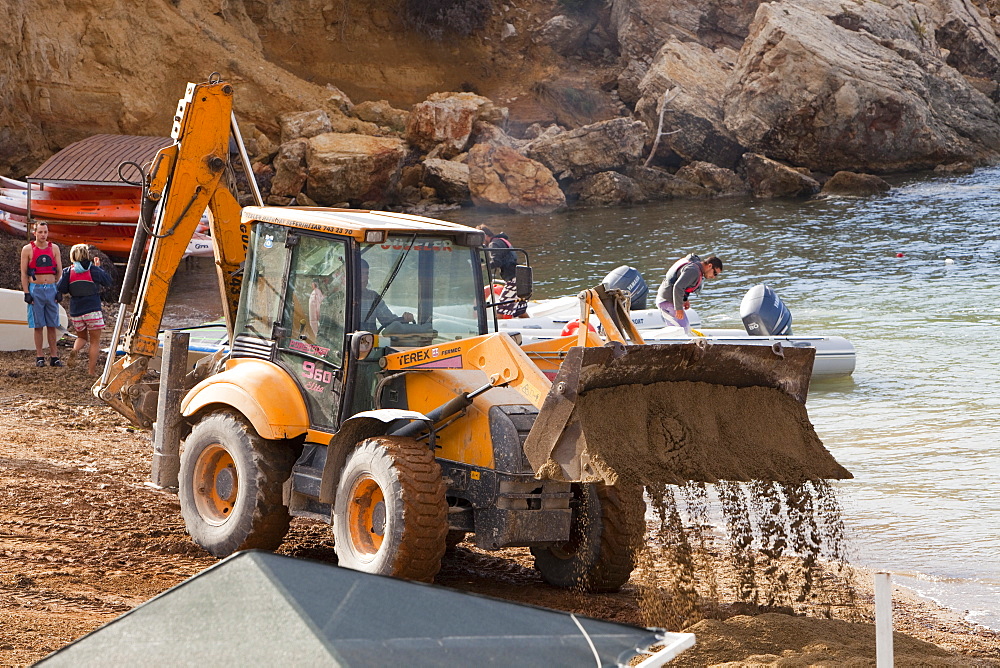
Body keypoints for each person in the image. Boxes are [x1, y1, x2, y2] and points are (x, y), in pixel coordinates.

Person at [56, 244, 113, 376]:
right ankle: (91, 371)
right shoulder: (94, 270)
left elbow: (61, 289)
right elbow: (108, 281)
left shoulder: (67, 271)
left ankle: (74, 351)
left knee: (81, 337)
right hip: (92, 309)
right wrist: (99, 268)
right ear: (87, 255)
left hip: (76, 311)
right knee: (94, 342)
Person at [19, 222, 64, 367]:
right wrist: (27, 293)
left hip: (51, 288)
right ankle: (39, 356)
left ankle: (54, 356)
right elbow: (24, 274)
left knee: (52, 324)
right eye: (40, 232)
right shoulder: (27, 249)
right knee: (38, 325)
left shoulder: (54, 248)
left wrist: (59, 290)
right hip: (36, 289)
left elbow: (60, 271)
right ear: (35, 233)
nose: (43, 235)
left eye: (45, 232)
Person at [655, 253, 723, 335]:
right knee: (684, 330)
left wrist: (685, 299)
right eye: (715, 273)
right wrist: (678, 309)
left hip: (664, 299)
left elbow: (682, 285)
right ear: (709, 266)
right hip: (667, 301)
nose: (714, 277)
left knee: (678, 329)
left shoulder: (695, 267)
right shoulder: (694, 271)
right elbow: (678, 287)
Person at [476, 224, 527, 318]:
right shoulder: (502, 240)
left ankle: (498, 330)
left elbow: (496, 262)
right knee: (520, 311)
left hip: (514, 279)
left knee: (500, 309)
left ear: (486, 236)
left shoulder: (493, 244)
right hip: (522, 276)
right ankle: (532, 328)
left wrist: (482, 267)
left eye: (481, 240)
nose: (482, 243)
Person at [358, 258, 414, 332]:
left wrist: (404, 319)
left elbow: (388, 320)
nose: (366, 277)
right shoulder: (340, 298)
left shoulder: (373, 297)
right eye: (361, 273)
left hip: (368, 341)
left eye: (367, 273)